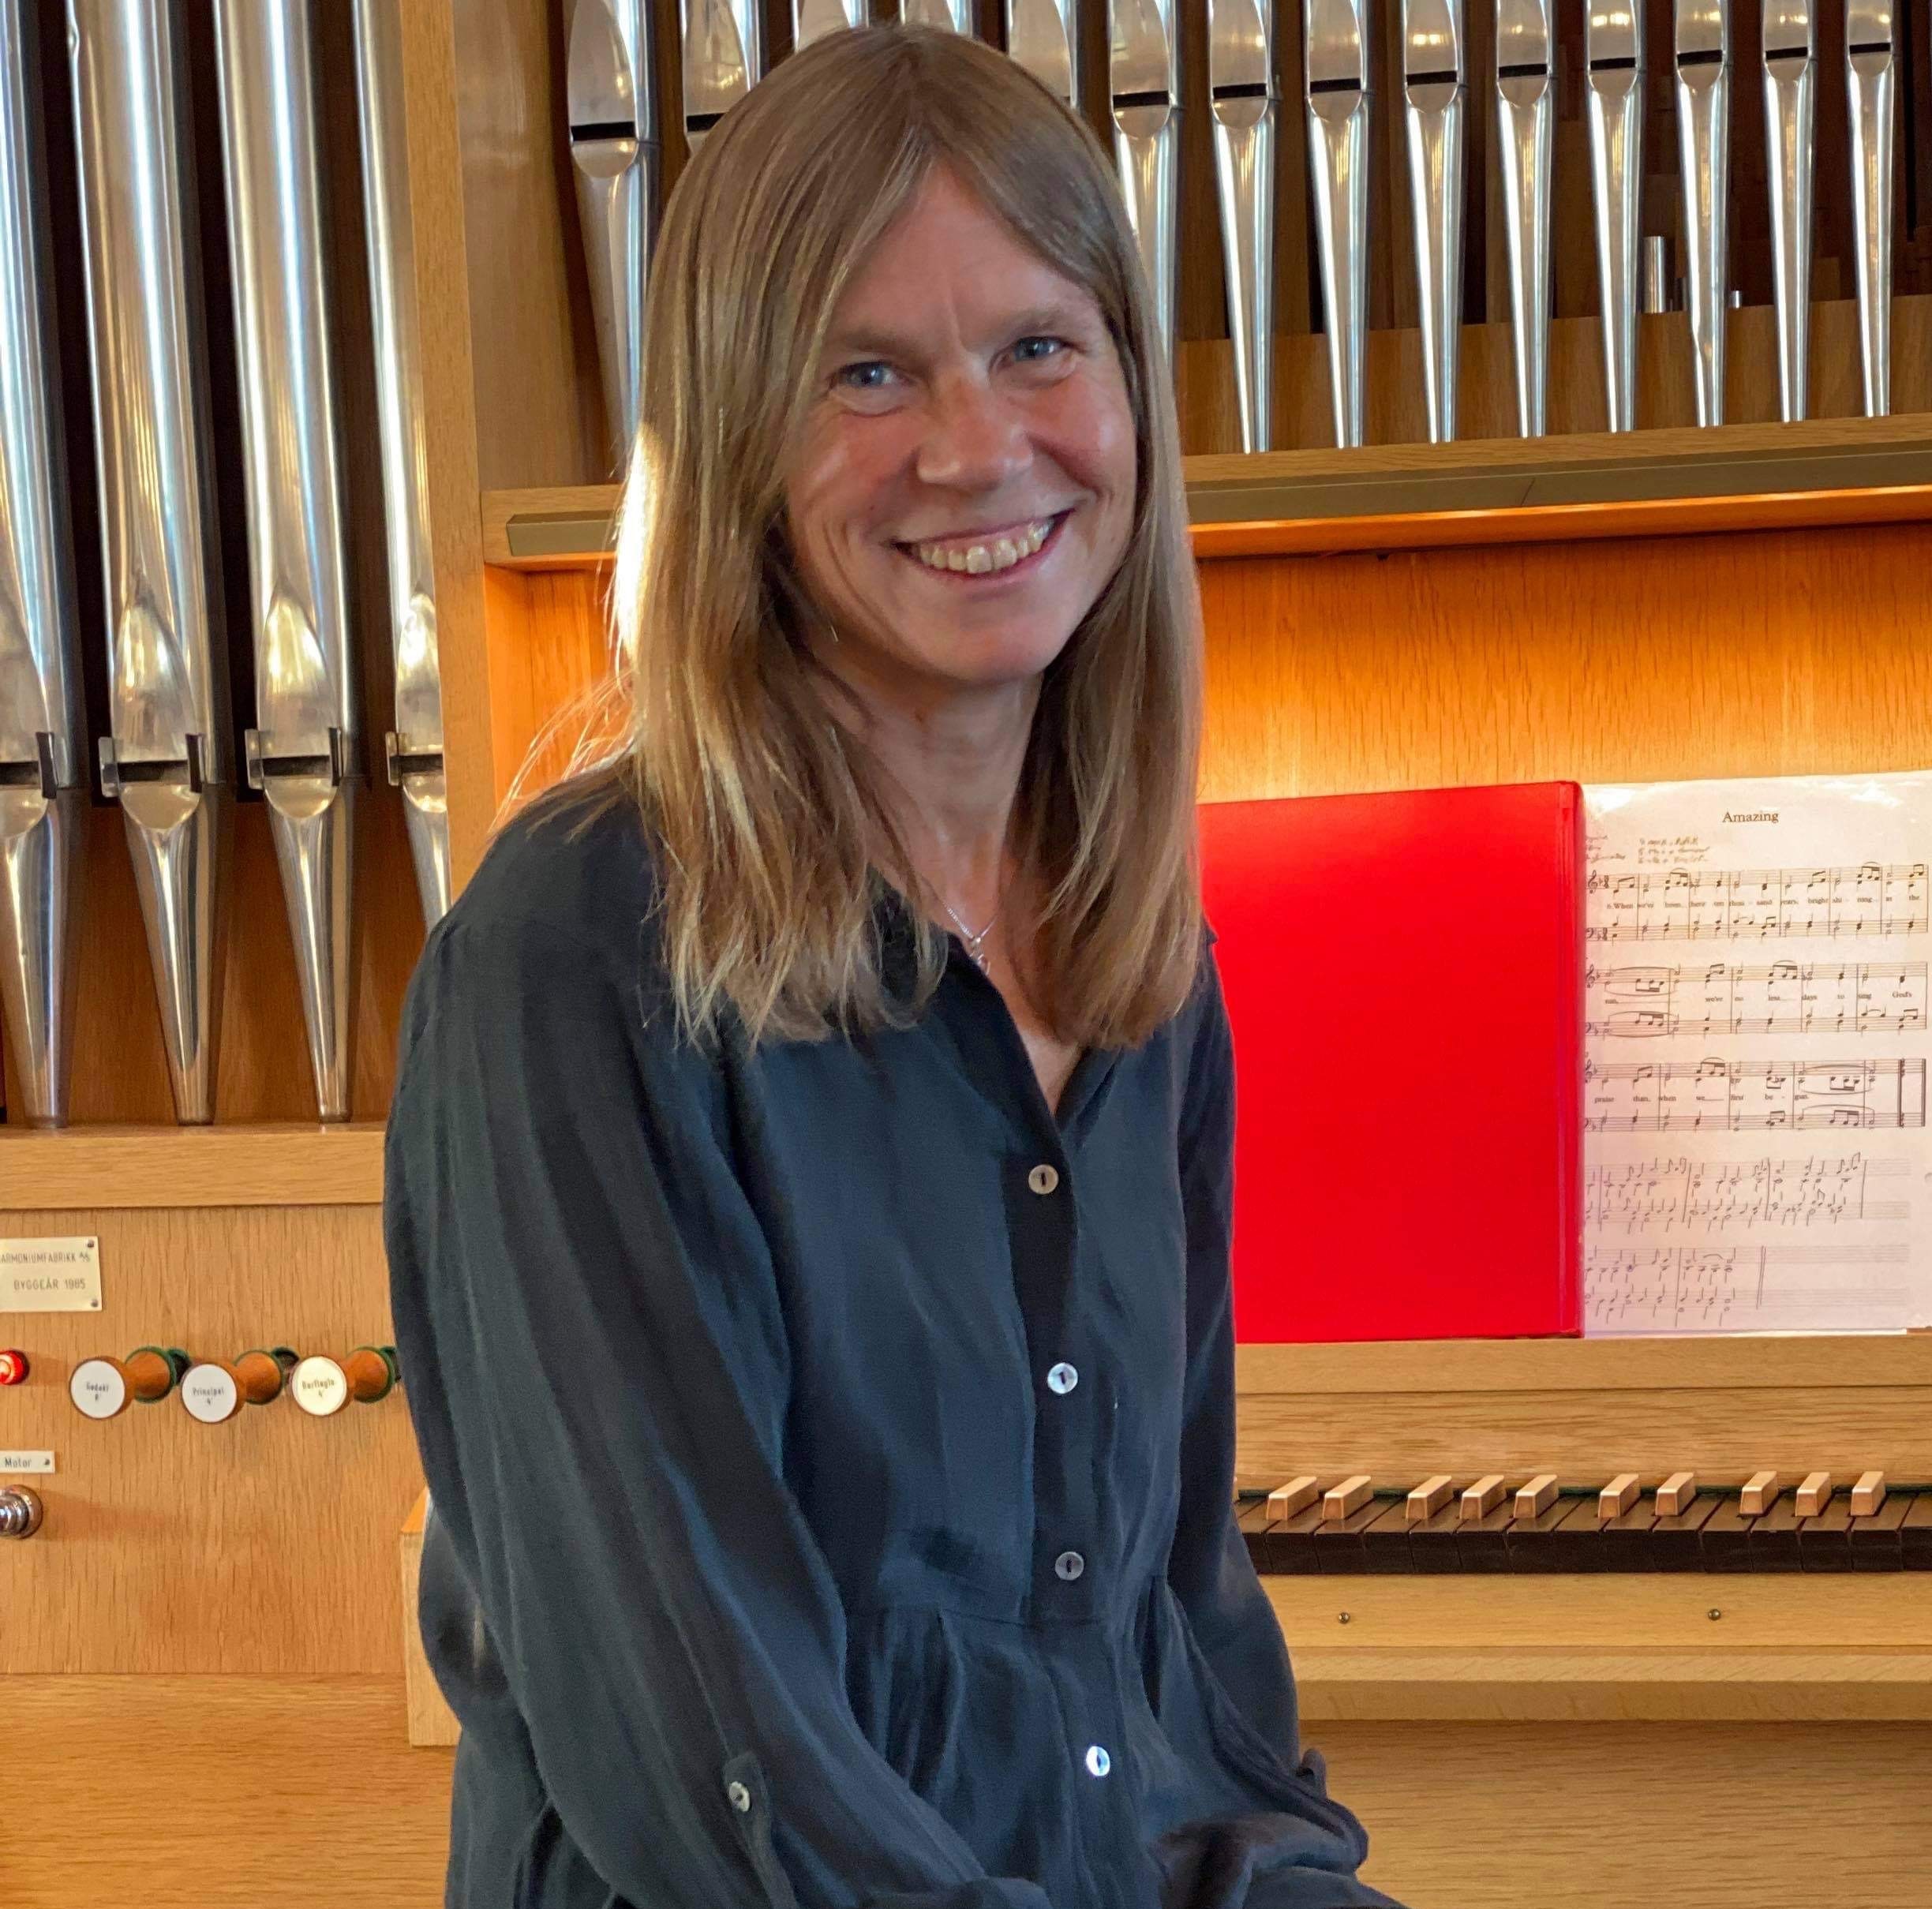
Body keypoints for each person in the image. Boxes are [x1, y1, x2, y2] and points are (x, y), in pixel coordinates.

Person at [385, 24, 1398, 1909]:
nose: (976, 447)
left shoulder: (1140, 973)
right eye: (870, 371)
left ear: (1127, 396)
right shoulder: (578, 962)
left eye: (1038, 346)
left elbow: (1179, 1675)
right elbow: (724, 1780)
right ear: (741, 446)